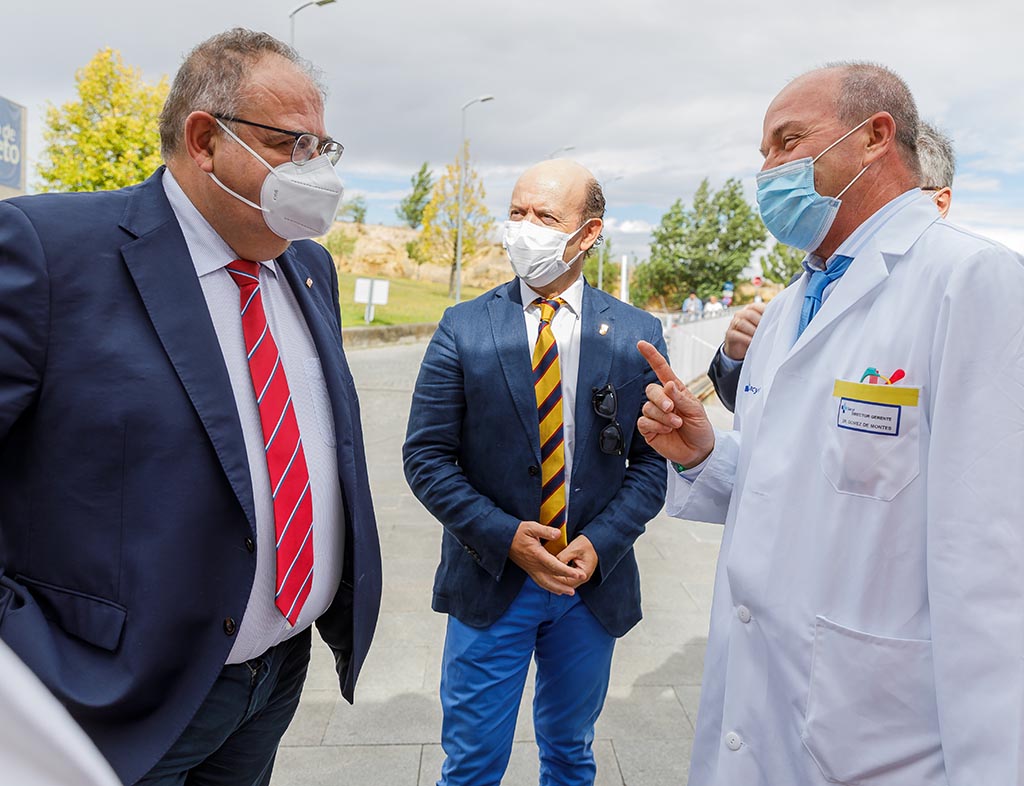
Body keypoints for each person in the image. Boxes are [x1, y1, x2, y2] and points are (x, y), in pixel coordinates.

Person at [0, 28, 382, 785]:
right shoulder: (48, 249)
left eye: (322, 152)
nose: (315, 173)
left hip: (272, 680)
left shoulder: (307, 268)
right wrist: (25, 656)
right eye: (291, 146)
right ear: (205, 139)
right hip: (118, 699)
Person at [637, 62, 1024, 785]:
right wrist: (702, 452)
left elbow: (996, 566)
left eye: (788, 142)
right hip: (761, 708)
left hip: (887, 734)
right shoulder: (789, 308)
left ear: (876, 137)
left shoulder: (972, 283)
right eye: (763, 153)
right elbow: (786, 479)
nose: (768, 170)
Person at [404, 159, 667, 786]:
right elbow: (426, 457)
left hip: (587, 586)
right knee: (471, 764)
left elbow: (654, 465)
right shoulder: (463, 328)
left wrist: (598, 545)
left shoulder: (636, 333)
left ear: (589, 232)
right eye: (517, 212)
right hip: (493, 578)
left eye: (546, 217)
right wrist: (505, 537)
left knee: (571, 753)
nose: (525, 229)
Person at [709, 115, 958, 412]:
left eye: (893, 195)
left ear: (938, 204)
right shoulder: (805, 286)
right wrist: (734, 357)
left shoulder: (961, 286)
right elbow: (759, 413)